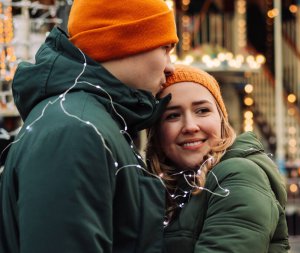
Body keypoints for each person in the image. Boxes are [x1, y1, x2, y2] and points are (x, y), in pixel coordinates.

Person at [0, 0, 178, 252]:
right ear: (125, 43)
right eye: (166, 48)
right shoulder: (76, 130)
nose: (171, 66)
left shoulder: (86, 121)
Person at [146, 65, 290, 253]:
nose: (190, 126)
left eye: (202, 110)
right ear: (157, 131)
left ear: (221, 118)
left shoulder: (239, 176)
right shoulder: (172, 188)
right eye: (173, 115)